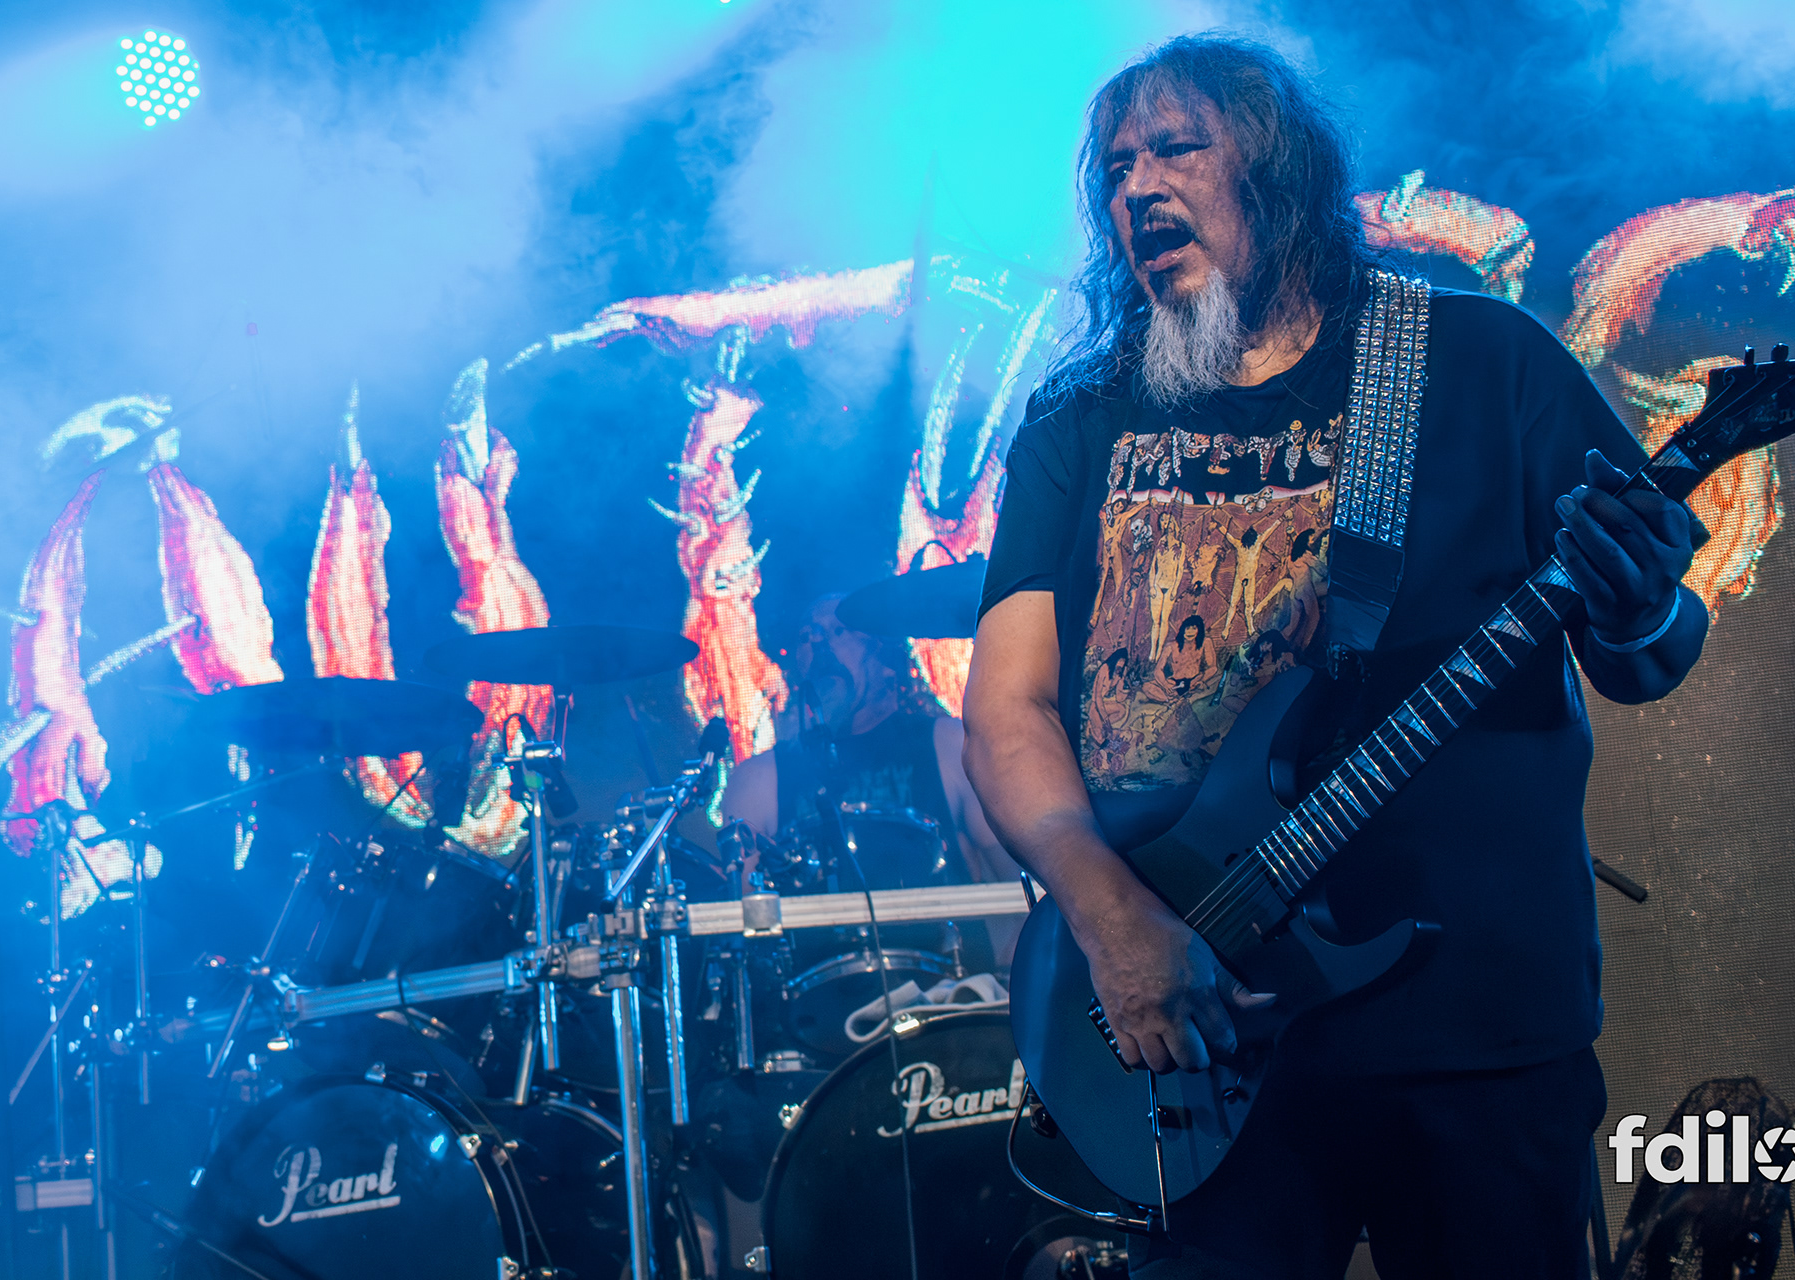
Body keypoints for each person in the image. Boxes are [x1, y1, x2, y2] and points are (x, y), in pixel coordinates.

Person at [961, 35, 1706, 1280]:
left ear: (1281, 176)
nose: (1138, 186)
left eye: (1177, 148)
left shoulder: (1482, 365)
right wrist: (1111, 917)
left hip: (1469, 1033)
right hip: (1192, 1035)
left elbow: (1650, 653)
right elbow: (1008, 708)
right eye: (1116, 166)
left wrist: (1637, 608)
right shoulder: (1078, 419)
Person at [722, 593, 1021, 965]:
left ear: (886, 660)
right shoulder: (758, 779)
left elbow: (1023, 890)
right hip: (819, 996)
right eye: (806, 635)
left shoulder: (949, 745)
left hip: (951, 991)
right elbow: (737, 935)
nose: (820, 642)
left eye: (839, 630)